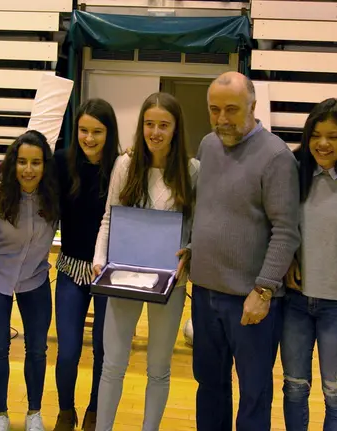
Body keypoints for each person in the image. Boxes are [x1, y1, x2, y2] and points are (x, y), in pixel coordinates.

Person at [189, 71, 300, 431]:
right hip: (205, 294)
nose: (222, 119)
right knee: (209, 386)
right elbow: (211, 208)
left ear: (253, 106)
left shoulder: (276, 156)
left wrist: (264, 288)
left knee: (253, 394)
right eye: (214, 110)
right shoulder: (207, 145)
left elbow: (286, 232)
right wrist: (193, 246)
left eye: (232, 110)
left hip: (251, 300)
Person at [91, 92, 199, 431]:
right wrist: (99, 258)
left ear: (176, 129)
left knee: (158, 367)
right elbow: (109, 218)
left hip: (171, 280)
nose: (155, 132)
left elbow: (197, 228)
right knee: (113, 363)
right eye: (149, 124)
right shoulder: (126, 164)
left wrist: (190, 251)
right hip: (123, 274)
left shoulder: (192, 171)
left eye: (163, 125)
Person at [281, 98, 337, 431]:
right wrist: (288, 258)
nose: (323, 143)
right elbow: (279, 224)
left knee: (336, 393)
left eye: (333, 136)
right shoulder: (295, 171)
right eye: (316, 135)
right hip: (295, 302)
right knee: (294, 388)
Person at [0, 130, 60, 431]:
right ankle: (2, 414)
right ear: (12, 164)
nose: (28, 170)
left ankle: (34, 413)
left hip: (36, 279)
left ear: (45, 165)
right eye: (21, 162)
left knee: (37, 349)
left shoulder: (54, 198)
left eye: (35, 162)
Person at [53, 99, 120, 431]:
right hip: (70, 269)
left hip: (108, 271)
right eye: (83, 130)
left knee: (103, 350)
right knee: (67, 351)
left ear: (109, 133)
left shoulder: (121, 167)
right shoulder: (61, 163)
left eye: (97, 132)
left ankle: (95, 410)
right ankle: (66, 411)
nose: (89, 138)